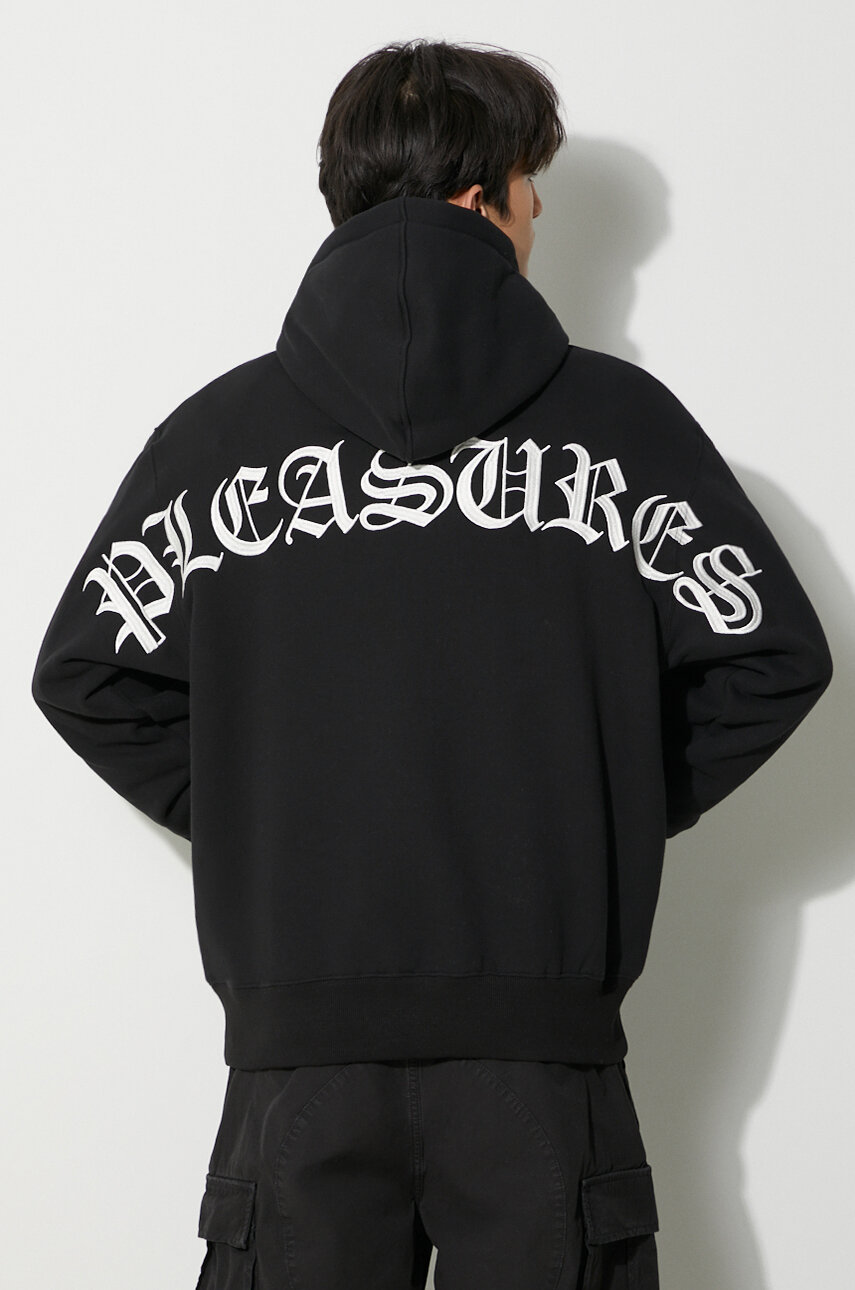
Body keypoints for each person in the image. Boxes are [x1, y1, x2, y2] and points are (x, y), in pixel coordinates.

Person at [30, 37, 833, 1290]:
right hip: (540, 1068)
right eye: (529, 185)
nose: (539, 213)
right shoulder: (624, 430)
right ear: (478, 196)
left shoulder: (216, 439)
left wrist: (264, 816)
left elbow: (89, 675)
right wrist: (594, 807)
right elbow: (772, 656)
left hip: (296, 1067)